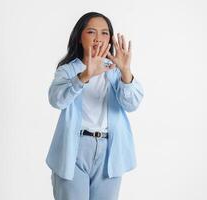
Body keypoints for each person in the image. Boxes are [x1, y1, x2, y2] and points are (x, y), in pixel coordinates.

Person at [45, 11, 144, 200]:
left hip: (109, 151)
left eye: (104, 33)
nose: (98, 38)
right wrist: (85, 76)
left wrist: (125, 71)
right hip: (73, 149)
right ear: (80, 37)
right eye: (91, 32)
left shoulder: (115, 70)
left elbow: (132, 104)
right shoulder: (68, 70)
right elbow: (56, 100)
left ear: (110, 39)